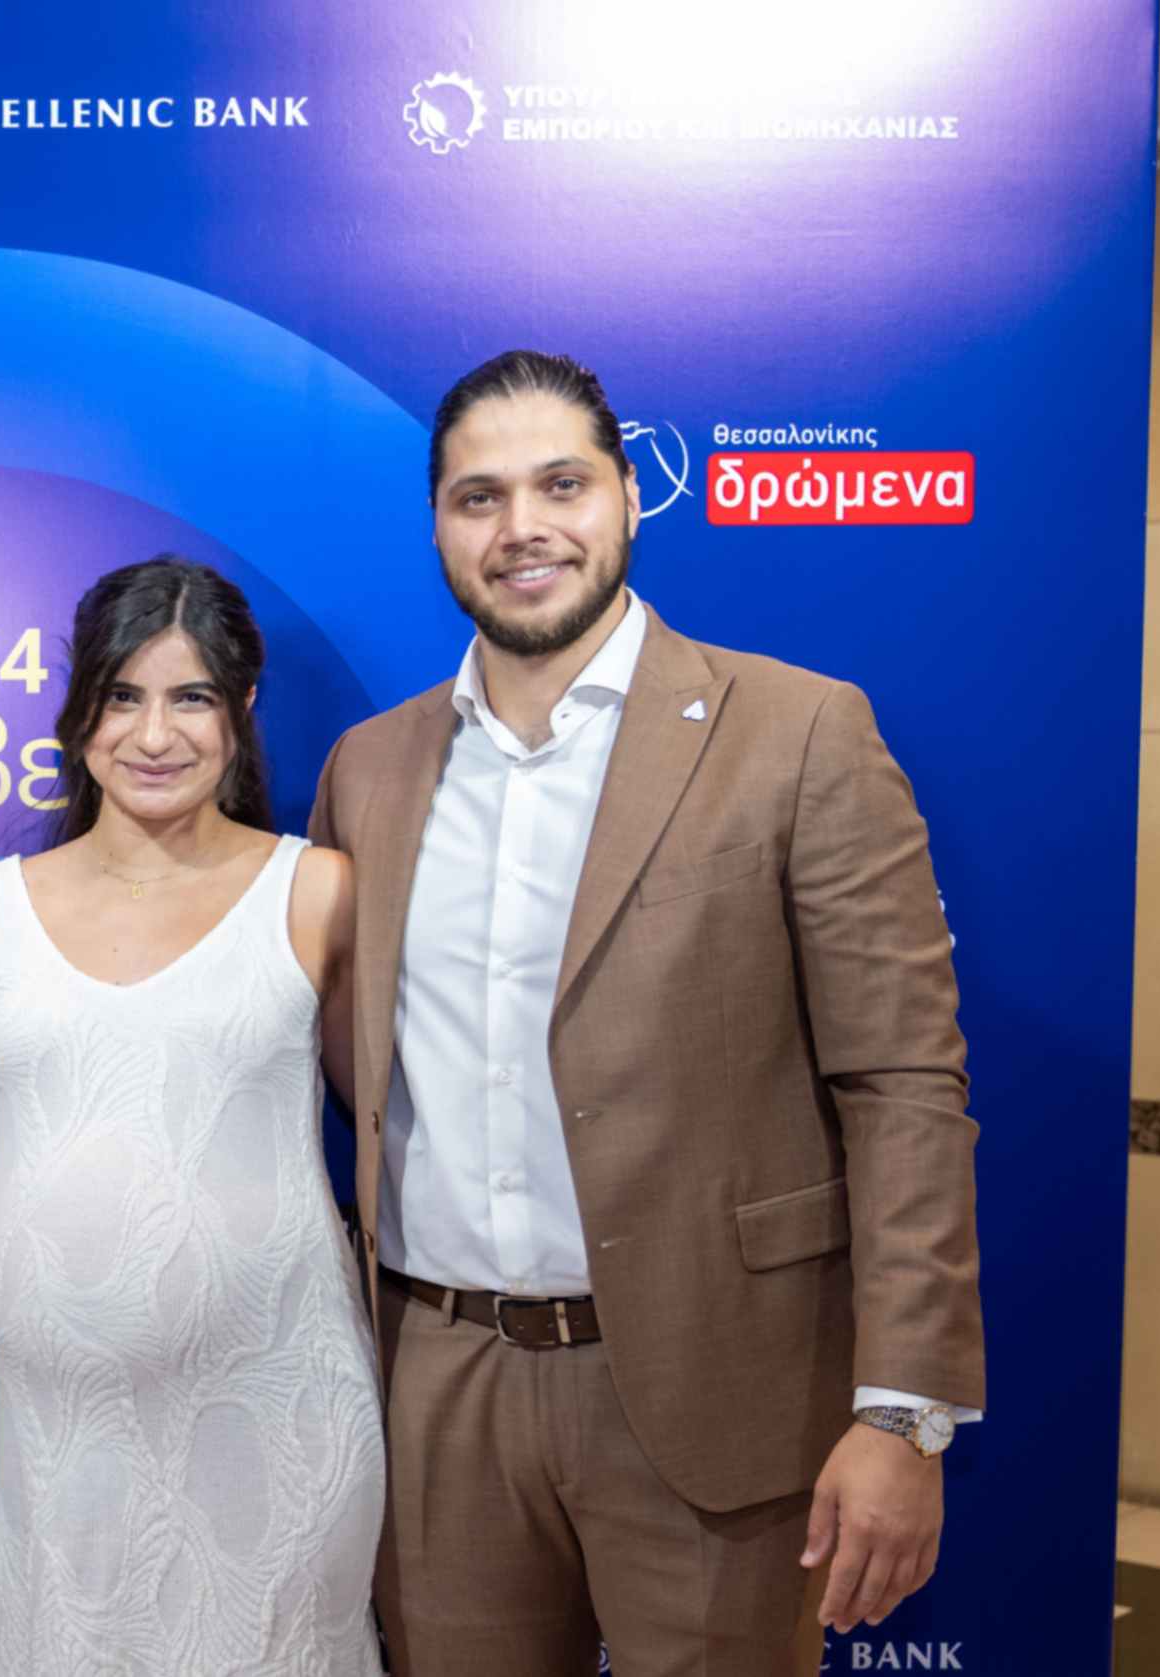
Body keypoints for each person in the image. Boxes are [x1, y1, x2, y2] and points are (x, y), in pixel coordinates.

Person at [312, 350, 983, 1675]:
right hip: (439, 1390)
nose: (522, 527)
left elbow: (903, 1084)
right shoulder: (369, 769)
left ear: (627, 496)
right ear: (438, 526)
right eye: (479, 497)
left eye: (560, 484)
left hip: (716, 1385)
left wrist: (902, 1412)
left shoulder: (796, 730)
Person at [0, 557, 382, 1676]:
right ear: (79, 706)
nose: (154, 735)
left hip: (282, 1420)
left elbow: (384, 1146)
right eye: (122, 695)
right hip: (61, 1445)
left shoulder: (320, 893)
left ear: (243, 708)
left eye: (192, 697)